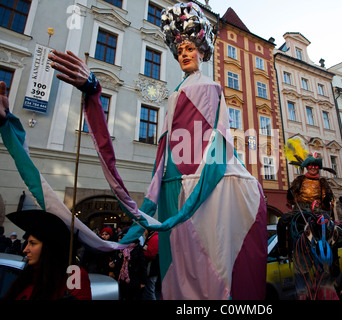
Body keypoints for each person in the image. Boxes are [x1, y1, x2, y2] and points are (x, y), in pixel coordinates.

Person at [47, 2, 267, 299]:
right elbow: (165, 148)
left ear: (202, 50)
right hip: (174, 190)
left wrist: (208, 180)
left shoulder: (211, 88)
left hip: (206, 188)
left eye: (189, 48)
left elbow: (219, 141)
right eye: (179, 52)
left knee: (212, 271)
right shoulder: (175, 93)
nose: (184, 55)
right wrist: (93, 89)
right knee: (179, 274)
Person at [2, 209, 92, 300]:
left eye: (32, 243)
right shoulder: (29, 274)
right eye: (27, 243)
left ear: (48, 247)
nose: (25, 250)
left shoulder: (73, 274)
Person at [142, 231, 160, 300]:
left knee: (150, 288)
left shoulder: (155, 238)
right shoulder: (152, 237)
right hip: (151, 266)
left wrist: (142, 252)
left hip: (152, 267)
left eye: (145, 229)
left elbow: (151, 254)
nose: (144, 231)